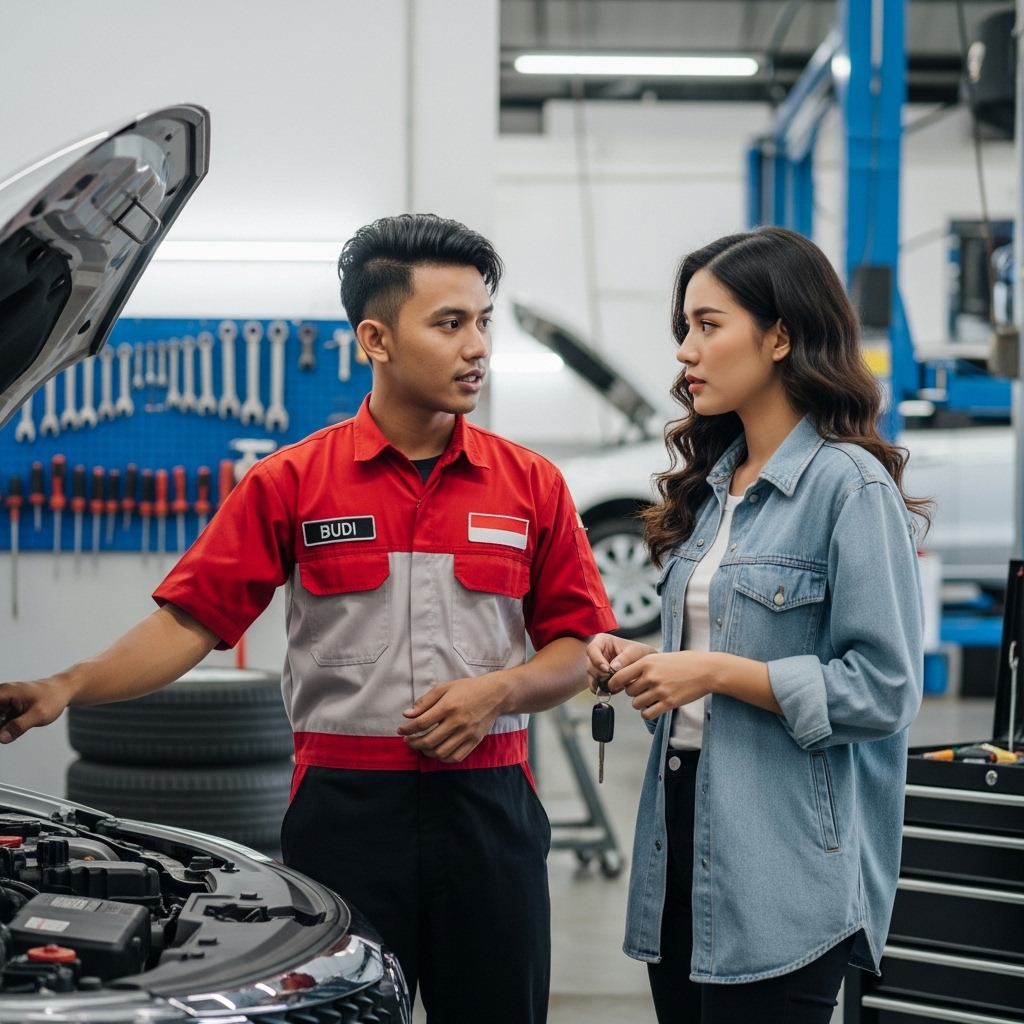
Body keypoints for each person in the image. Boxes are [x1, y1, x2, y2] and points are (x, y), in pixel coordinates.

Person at [0, 213, 617, 1023]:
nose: (478, 347)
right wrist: (66, 686)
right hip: (344, 814)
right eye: (449, 322)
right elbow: (188, 623)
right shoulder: (290, 482)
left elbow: (581, 646)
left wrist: (497, 693)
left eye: (483, 322)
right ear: (376, 338)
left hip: (490, 810)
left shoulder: (529, 485)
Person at [586, 227, 926, 1024]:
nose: (685, 352)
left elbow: (884, 689)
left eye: (708, 325)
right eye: (684, 329)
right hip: (680, 826)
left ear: (779, 335)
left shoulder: (850, 487)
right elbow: (723, 638)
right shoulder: (711, 488)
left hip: (783, 855)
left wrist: (709, 672)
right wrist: (649, 659)